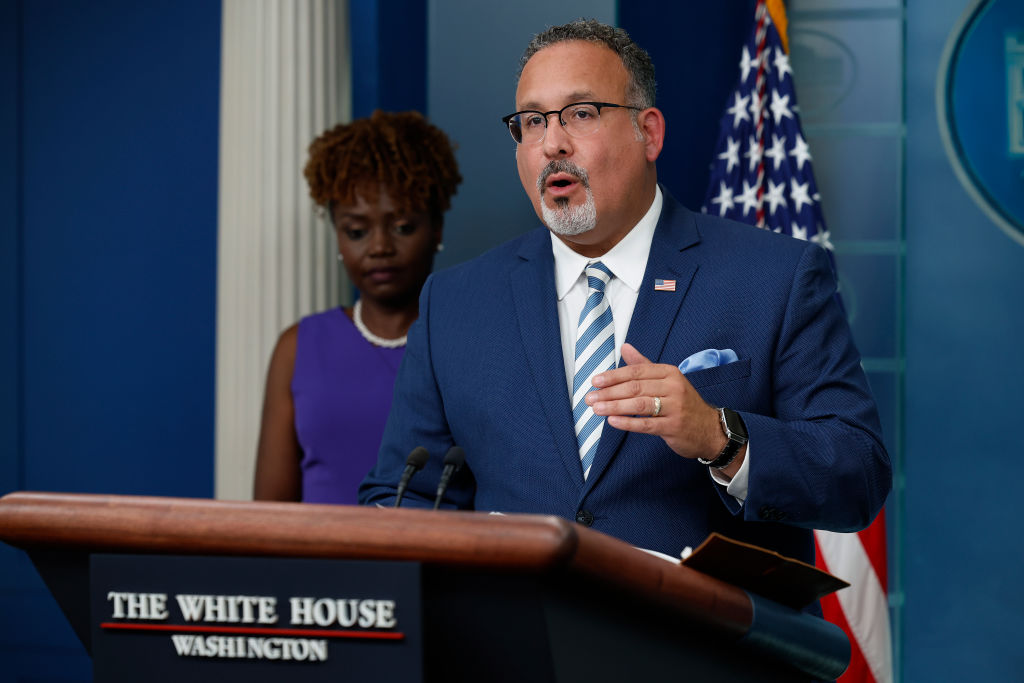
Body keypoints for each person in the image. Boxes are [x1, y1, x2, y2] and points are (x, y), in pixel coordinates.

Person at [359, 20, 891, 568]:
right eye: (532, 121)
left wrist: (717, 434)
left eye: (581, 114)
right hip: (515, 640)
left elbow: (858, 475)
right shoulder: (455, 303)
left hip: (706, 644)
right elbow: (404, 497)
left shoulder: (775, 276)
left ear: (649, 134)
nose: (552, 143)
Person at [255, 110, 461, 504]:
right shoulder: (298, 347)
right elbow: (268, 515)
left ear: (436, 227)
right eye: (356, 231)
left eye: (402, 227)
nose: (380, 247)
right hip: (319, 563)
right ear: (337, 236)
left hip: (433, 563)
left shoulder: (469, 344)